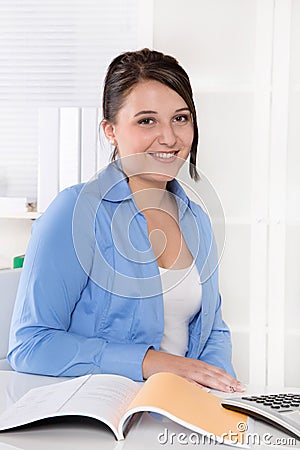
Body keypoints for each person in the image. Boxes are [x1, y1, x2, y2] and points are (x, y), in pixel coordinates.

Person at [8, 48, 244, 393]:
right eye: (146, 120)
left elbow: (212, 331)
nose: (169, 138)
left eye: (180, 118)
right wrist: (151, 362)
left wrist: (221, 393)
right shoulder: (75, 212)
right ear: (110, 130)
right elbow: (31, 345)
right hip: (96, 415)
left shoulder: (197, 220)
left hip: (174, 412)